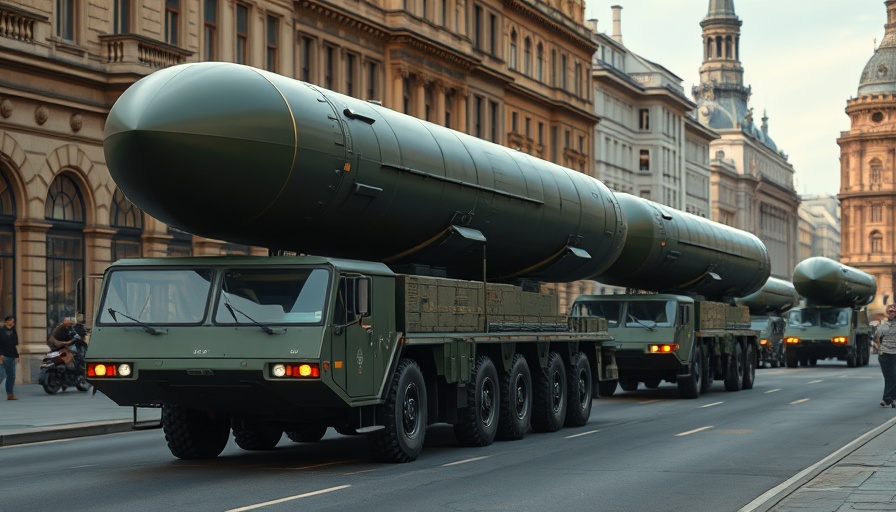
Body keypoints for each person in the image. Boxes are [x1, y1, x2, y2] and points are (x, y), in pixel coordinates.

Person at [872, 304, 896, 408]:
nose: (891, 314)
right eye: (889, 312)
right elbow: (878, 338)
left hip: (895, 353)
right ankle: (892, 399)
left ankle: (886, 398)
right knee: (888, 377)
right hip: (884, 353)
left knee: (894, 376)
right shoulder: (882, 325)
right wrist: (879, 350)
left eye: (893, 312)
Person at [0, 315, 19, 400]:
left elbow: (15, 344)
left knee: (11, 376)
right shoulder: (1, 331)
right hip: (3, 356)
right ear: (8, 321)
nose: (13, 323)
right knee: (2, 375)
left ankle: (10, 394)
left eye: (14, 321)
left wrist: (17, 355)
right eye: (12, 321)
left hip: (12, 356)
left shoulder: (13, 331)